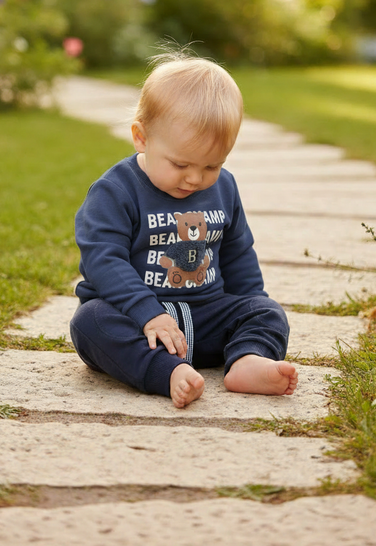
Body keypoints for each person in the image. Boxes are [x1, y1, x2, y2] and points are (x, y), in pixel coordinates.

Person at [70, 53, 298, 408]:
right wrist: (148, 313)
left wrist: (249, 307)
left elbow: (237, 253)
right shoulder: (115, 191)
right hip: (136, 322)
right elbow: (103, 260)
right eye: (180, 164)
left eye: (212, 166)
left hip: (207, 317)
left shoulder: (224, 188)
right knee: (89, 322)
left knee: (267, 311)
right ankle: (166, 371)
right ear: (141, 138)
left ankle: (247, 359)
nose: (194, 178)